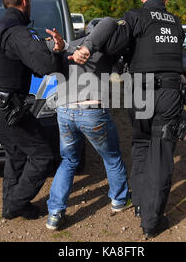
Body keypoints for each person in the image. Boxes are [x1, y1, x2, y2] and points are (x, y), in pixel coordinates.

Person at [77, 0, 186, 238]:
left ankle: (140, 206)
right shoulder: (176, 23)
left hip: (140, 91)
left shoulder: (135, 17)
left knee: (140, 145)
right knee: (160, 155)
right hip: (169, 93)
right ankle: (152, 221)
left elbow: (114, 45)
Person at [0, 0, 66, 220]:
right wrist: (58, 51)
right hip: (8, 105)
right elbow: (45, 66)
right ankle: (17, 203)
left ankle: (11, 205)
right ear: (25, 1)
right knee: (43, 154)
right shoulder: (18, 32)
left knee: (16, 152)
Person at [45, 18, 131, 230]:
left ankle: (55, 213)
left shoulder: (68, 45)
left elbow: (48, 45)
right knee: (111, 157)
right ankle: (119, 200)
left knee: (68, 161)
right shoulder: (103, 49)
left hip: (64, 111)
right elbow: (111, 22)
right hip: (92, 110)